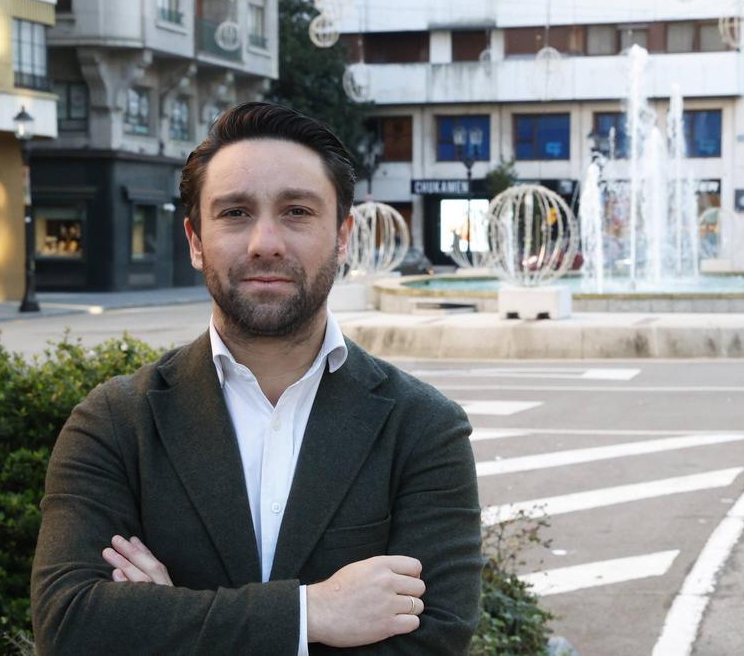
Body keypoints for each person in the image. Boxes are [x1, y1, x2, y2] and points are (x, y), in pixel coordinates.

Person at [30, 103, 482, 654]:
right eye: (235, 213)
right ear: (196, 240)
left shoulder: (424, 428)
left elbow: (434, 642)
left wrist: (170, 621)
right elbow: (70, 626)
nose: (265, 241)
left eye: (297, 211)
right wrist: (310, 613)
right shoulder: (114, 422)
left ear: (342, 237)